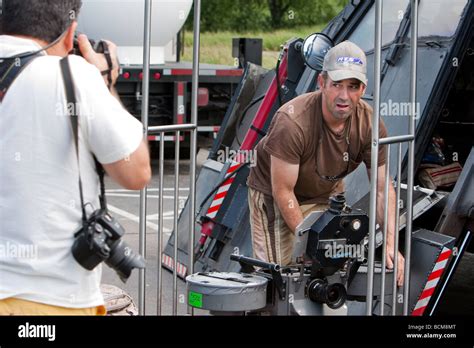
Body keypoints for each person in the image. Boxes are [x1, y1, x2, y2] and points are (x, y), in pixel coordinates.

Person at [0, 0, 151, 315]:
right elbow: (135, 172)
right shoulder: (73, 76)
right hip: (48, 301)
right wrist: (105, 81)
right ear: (70, 35)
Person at [247, 41, 405, 286]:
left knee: (332, 268)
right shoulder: (292, 122)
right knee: (281, 277)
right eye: (336, 85)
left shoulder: (371, 125)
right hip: (275, 195)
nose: (344, 96)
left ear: (363, 88)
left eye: (352, 86)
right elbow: (283, 191)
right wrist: (309, 245)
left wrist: (392, 244)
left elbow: (383, 189)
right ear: (322, 83)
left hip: (325, 194)